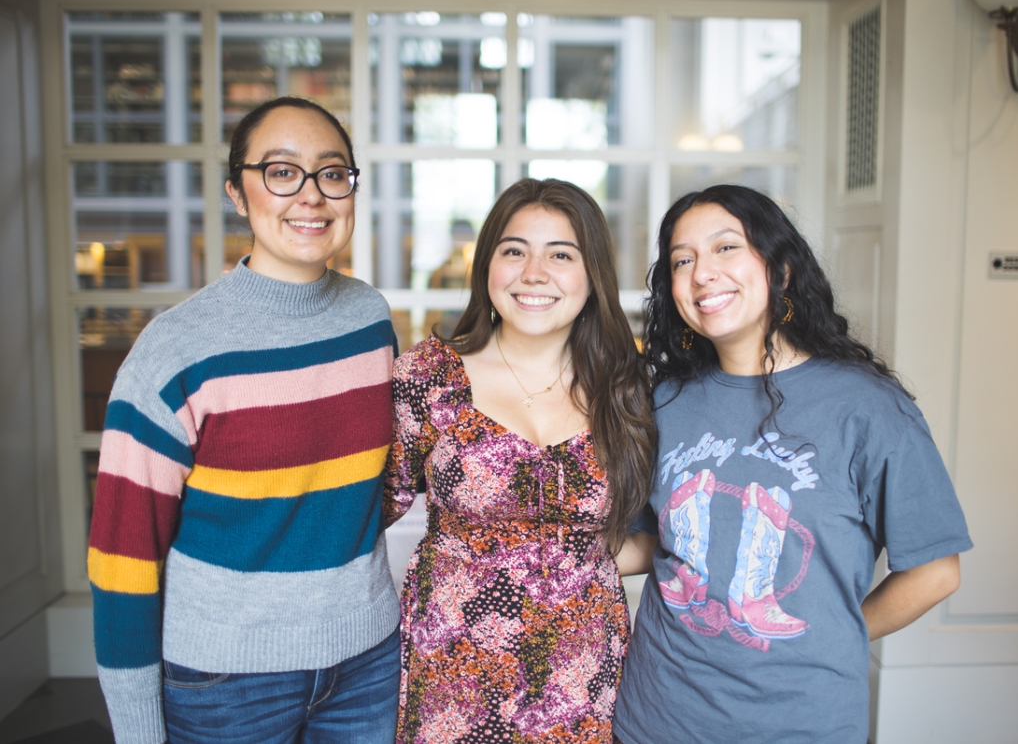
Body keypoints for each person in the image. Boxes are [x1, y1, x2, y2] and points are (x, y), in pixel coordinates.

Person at [87, 96, 400, 744]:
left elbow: (371, 489)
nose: (310, 196)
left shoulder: (370, 320)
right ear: (237, 192)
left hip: (368, 658)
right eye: (281, 172)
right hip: (225, 679)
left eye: (332, 172)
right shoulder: (175, 351)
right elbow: (123, 556)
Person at [612, 185, 972, 744]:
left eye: (726, 248)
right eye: (684, 260)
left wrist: (836, 634)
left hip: (801, 723)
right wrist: (538, 547)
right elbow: (646, 543)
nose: (703, 273)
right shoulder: (666, 402)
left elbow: (935, 571)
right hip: (657, 717)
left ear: (780, 269)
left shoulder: (868, 408)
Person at [384, 178, 657, 743]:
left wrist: (578, 553)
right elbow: (364, 512)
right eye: (514, 251)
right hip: (453, 675)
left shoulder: (626, 388)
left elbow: (672, 529)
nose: (535, 273)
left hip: (583, 676)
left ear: (592, 276)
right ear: (487, 266)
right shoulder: (427, 378)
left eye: (561, 254)